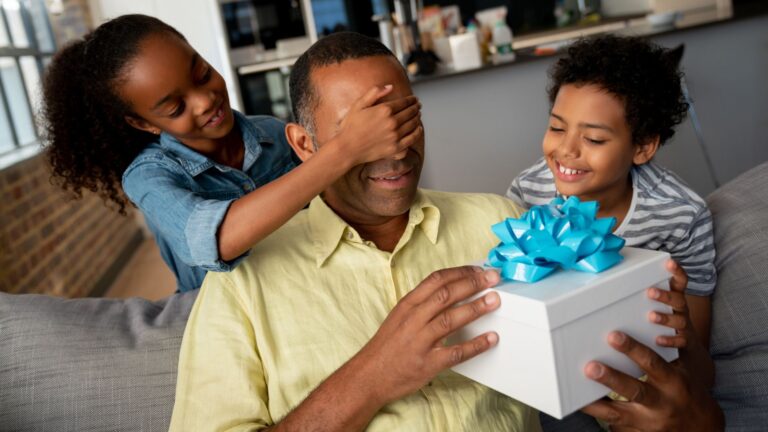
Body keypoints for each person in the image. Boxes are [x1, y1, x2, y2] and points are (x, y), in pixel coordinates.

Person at [169, 32, 721, 431]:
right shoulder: (240, 285)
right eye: (361, 133)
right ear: (305, 145)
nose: (396, 147)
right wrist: (371, 378)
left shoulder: (506, 224)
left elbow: (620, 376)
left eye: (405, 118)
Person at [40, 15, 422, 292]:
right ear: (144, 124)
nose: (205, 101)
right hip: (223, 318)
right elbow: (214, 240)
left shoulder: (274, 135)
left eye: (202, 74)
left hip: (302, 290)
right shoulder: (148, 178)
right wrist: (346, 148)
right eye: (175, 108)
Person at [505, 35, 716, 391]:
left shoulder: (681, 215)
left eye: (594, 139)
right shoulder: (529, 194)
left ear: (643, 147)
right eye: (557, 127)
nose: (566, 150)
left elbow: (694, 346)